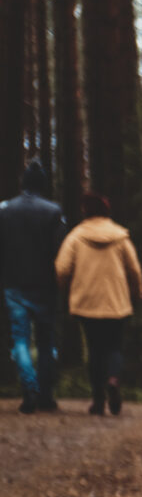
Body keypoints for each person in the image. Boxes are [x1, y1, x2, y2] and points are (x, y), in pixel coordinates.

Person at [55, 192, 142, 418]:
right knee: (114, 346)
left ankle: (97, 400)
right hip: (116, 303)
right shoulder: (121, 236)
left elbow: (62, 268)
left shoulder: (76, 237)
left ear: (85, 211)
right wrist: (137, 293)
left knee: (95, 350)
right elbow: (134, 270)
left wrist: (65, 290)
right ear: (107, 211)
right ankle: (113, 379)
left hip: (87, 303)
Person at [2, 161, 67, 413]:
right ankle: (45, 395)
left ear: (23, 183)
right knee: (46, 339)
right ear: (43, 185)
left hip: (14, 284)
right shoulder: (53, 211)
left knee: (20, 339)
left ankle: (29, 389)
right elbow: (60, 251)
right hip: (45, 286)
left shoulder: (4, 210)